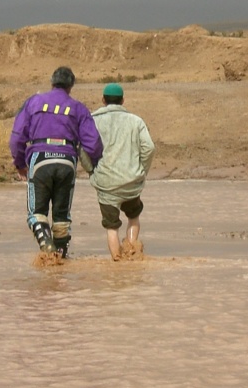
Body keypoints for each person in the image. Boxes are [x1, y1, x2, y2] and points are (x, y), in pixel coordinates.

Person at [9, 66, 103, 258]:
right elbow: (93, 144)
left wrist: (19, 163)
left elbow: (17, 137)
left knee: (36, 212)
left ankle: (46, 247)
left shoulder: (33, 102)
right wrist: (93, 164)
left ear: (52, 83)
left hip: (40, 158)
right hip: (67, 161)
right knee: (61, 216)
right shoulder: (79, 108)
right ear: (71, 87)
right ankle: (61, 257)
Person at [86, 83, 155, 261]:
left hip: (106, 183)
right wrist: (142, 171)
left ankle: (117, 263)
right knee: (133, 217)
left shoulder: (92, 121)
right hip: (132, 182)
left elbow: (83, 150)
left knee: (111, 227)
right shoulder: (136, 121)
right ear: (123, 100)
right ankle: (132, 251)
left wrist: (91, 171)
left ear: (103, 100)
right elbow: (149, 148)